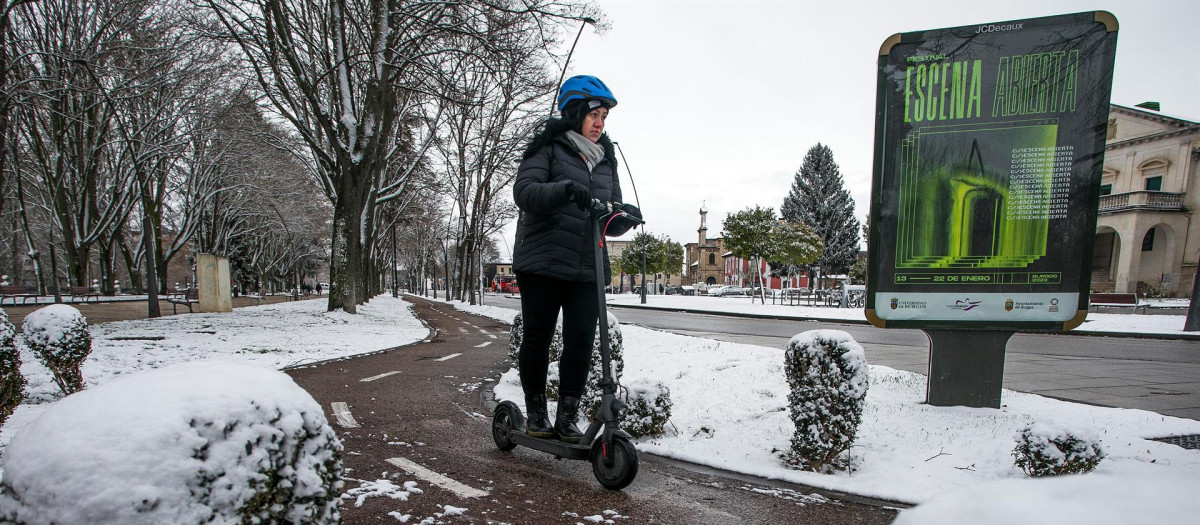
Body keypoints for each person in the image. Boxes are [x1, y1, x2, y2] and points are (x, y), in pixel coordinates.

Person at [511, 75, 642, 442]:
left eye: (604, 116)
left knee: (581, 340)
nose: (600, 123)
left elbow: (607, 215)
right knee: (537, 336)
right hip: (543, 261)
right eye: (594, 114)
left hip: (588, 265)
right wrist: (565, 190)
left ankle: (566, 417)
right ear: (575, 113)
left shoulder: (606, 160)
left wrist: (622, 217)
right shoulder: (549, 148)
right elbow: (525, 192)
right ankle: (536, 414)